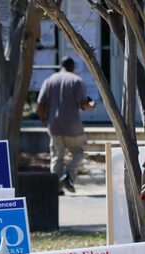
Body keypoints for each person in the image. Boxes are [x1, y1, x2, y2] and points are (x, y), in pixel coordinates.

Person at [37, 56, 96, 195]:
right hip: (72, 126)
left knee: (57, 156)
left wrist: (43, 120)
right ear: (72, 67)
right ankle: (68, 176)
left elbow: (40, 104)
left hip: (54, 126)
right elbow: (82, 103)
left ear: (61, 66)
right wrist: (91, 105)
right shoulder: (76, 80)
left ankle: (55, 188)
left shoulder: (49, 80)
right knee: (81, 151)